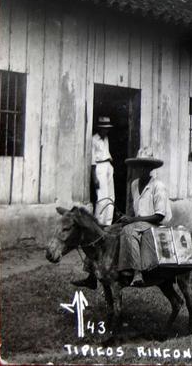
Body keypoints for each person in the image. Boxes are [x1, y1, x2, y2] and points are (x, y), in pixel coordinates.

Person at [71, 116, 115, 289]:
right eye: (104, 128)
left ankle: (108, 225)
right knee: (102, 197)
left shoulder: (106, 139)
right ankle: (99, 225)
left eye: (108, 128)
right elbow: (91, 162)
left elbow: (107, 156)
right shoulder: (94, 139)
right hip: (99, 168)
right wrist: (94, 178)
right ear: (99, 128)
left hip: (108, 167)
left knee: (111, 198)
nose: (106, 130)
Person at [117, 147, 172, 287]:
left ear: (150, 168)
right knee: (110, 230)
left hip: (155, 225)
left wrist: (133, 221)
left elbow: (159, 216)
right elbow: (136, 211)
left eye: (145, 166)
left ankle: (137, 272)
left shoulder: (158, 186)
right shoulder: (134, 184)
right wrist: (126, 218)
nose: (141, 169)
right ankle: (92, 273)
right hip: (140, 224)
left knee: (128, 231)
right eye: (139, 165)